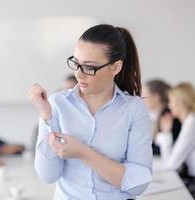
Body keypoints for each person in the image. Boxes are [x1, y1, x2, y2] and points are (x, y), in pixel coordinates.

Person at [28, 24, 152, 199]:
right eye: (76, 63)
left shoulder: (134, 109)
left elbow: (138, 184)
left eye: (89, 67)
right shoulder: (57, 103)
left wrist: (83, 153)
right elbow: (48, 176)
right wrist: (46, 117)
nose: (78, 74)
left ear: (115, 67)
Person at [157, 83, 195, 177]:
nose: (169, 106)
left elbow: (171, 165)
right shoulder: (189, 121)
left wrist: (165, 134)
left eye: (170, 102)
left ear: (181, 102)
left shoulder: (191, 123)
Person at [142, 80, 181, 156]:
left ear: (156, 98)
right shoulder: (161, 115)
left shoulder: (168, 116)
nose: (141, 99)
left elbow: (160, 149)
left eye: (144, 96)